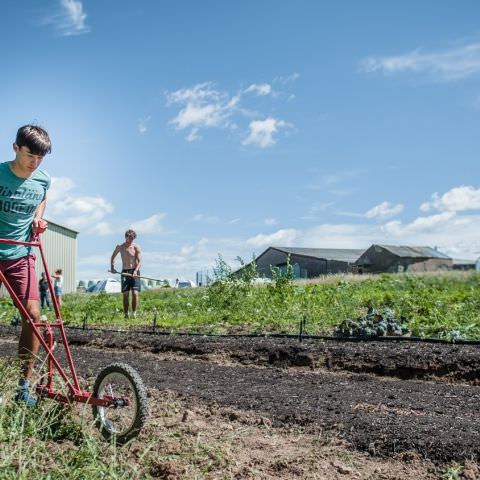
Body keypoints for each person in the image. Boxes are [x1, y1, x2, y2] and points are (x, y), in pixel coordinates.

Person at [0, 125, 51, 406]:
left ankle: (23, 386)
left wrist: (38, 218)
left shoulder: (43, 180)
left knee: (34, 316)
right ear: (15, 148)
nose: (35, 162)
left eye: (41, 158)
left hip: (21, 254)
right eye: (30, 155)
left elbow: (42, 199)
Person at [110, 229, 142, 318]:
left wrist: (136, 271)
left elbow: (140, 261)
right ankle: (126, 314)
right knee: (126, 294)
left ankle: (134, 313)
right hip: (125, 272)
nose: (132, 240)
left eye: (133, 238)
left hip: (135, 272)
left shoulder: (136, 247)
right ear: (126, 237)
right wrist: (112, 267)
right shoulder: (120, 247)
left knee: (135, 293)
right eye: (130, 238)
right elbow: (113, 257)